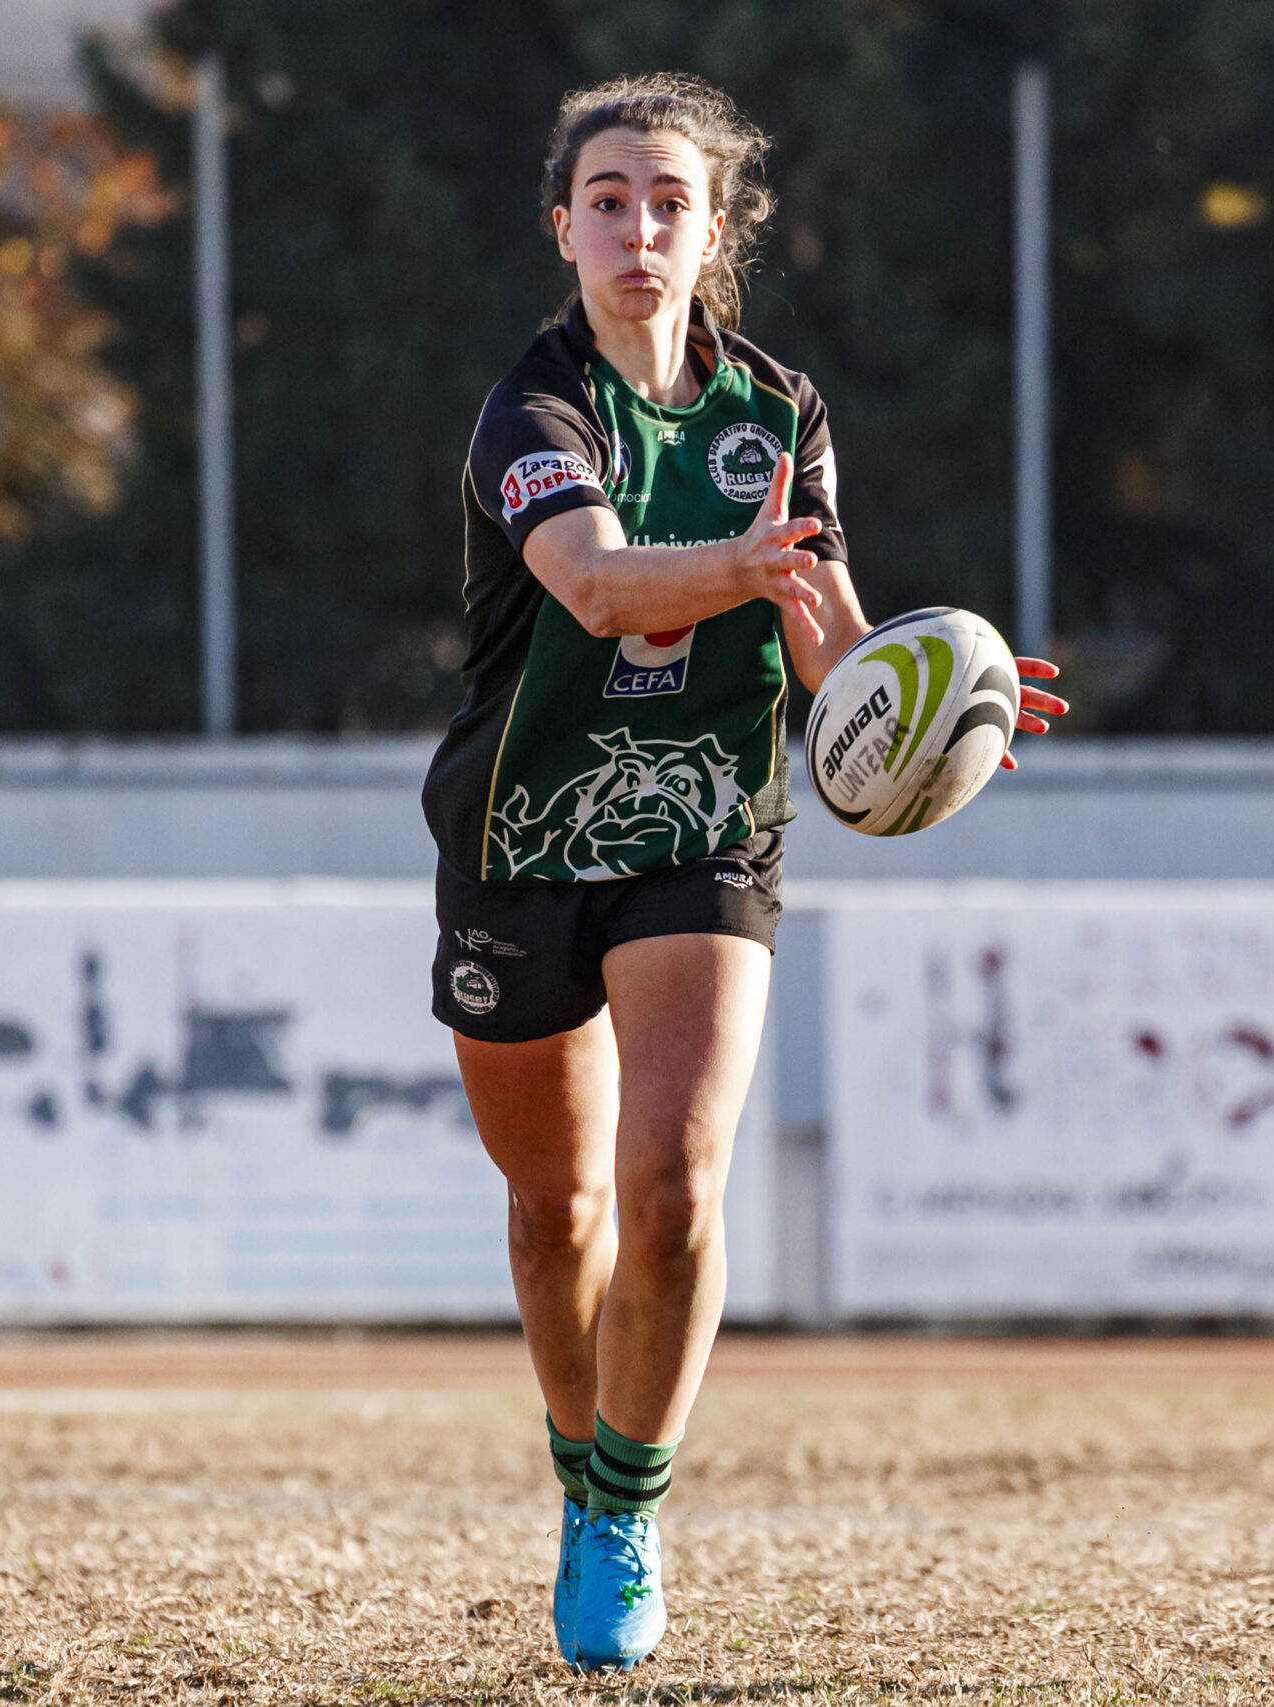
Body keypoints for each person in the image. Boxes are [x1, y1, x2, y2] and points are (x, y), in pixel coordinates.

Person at [421, 72, 1067, 1672]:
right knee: (551, 1207)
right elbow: (588, 589)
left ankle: (626, 1509)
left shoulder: (777, 414)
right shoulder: (535, 407)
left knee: (671, 1184)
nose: (640, 228)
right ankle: (584, 1468)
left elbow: (826, 641)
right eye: (611, 200)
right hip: (520, 832)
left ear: (716, 234)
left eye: (671, 203)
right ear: (563, 226)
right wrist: (750, 568)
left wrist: (931, 709)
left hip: (707, 826)